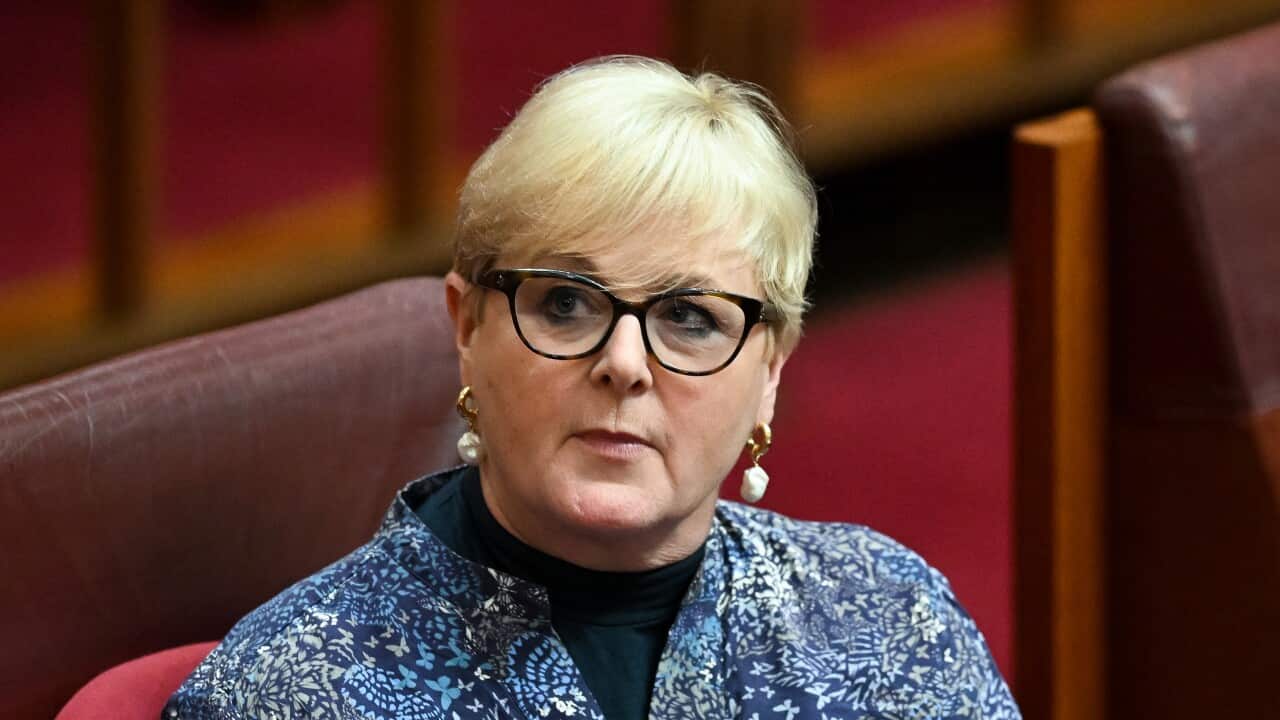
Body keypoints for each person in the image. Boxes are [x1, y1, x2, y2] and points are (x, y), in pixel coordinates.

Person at [165, 56, 1019, 719]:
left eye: (690, 316)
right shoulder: (292, 691)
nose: (625, 362)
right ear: (469, 329)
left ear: (769, 371)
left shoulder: (887, 616)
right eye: (567, 303)